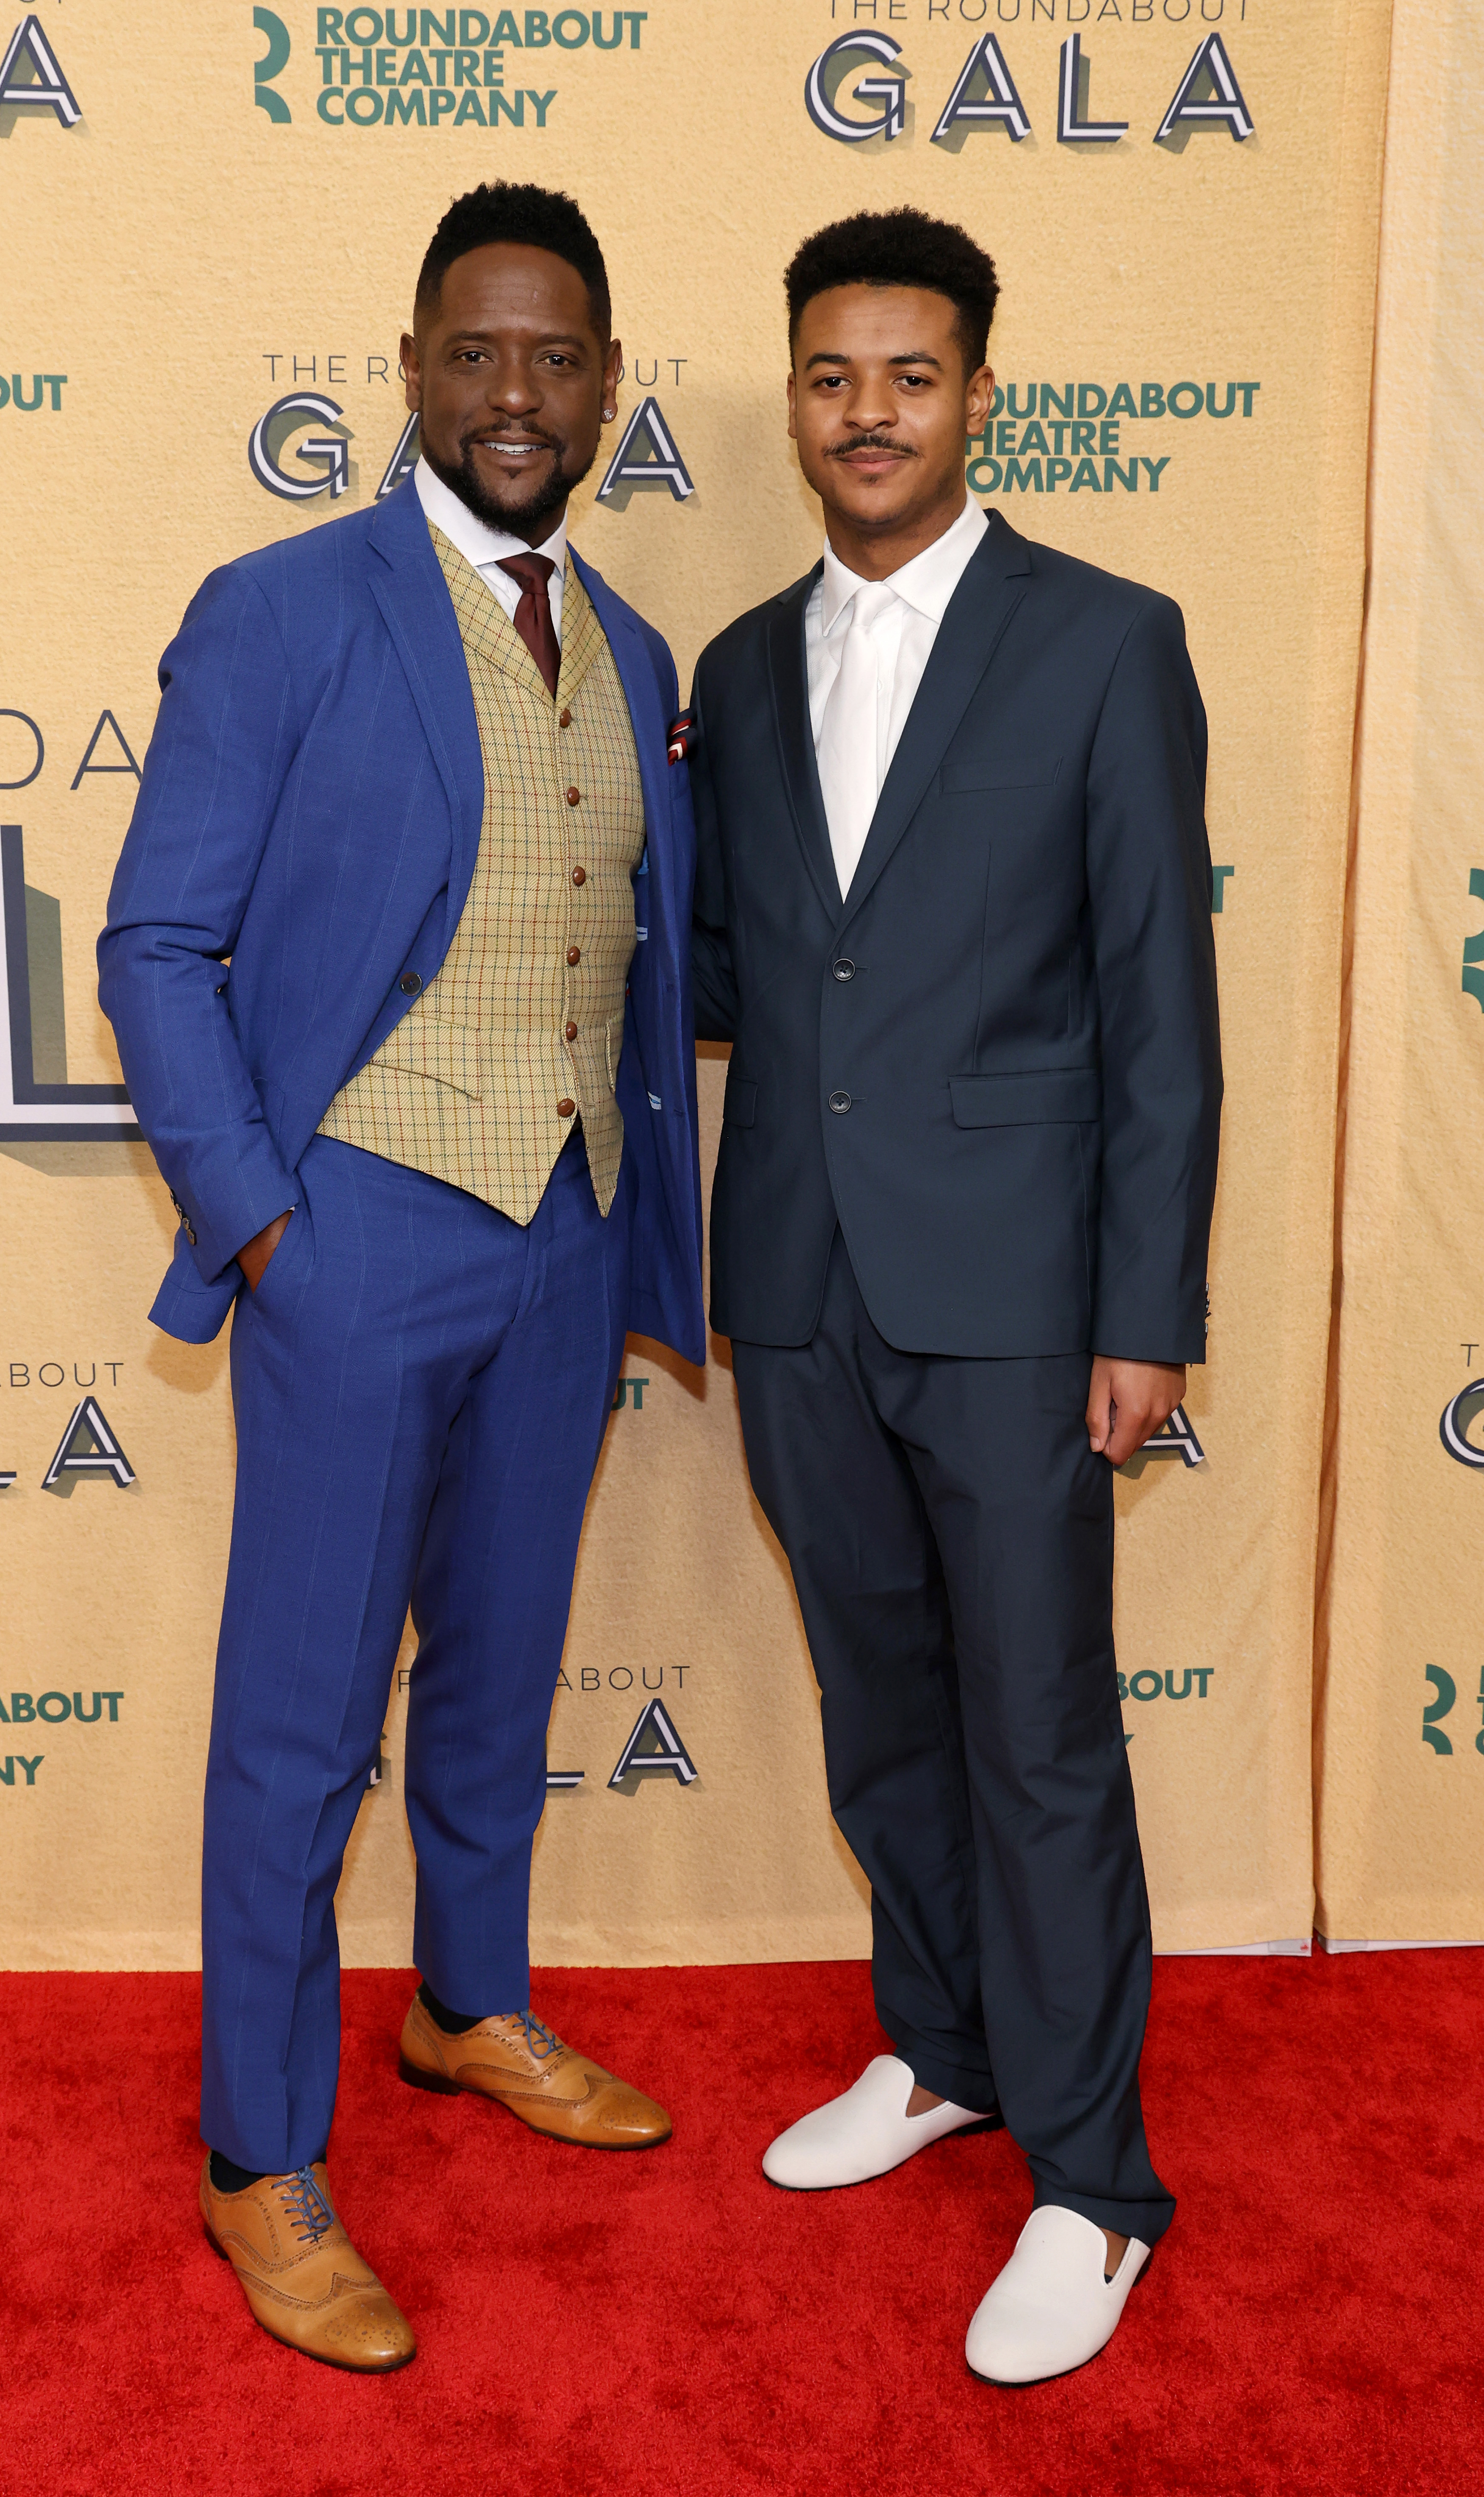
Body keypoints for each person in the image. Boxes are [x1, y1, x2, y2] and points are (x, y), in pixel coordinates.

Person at [98, 182, 703, 2373]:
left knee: (496, 1675)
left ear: (608, 388)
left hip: (561, 1239)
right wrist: (264, 1221)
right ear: (416, 368)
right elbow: (155, 942)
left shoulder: (632, 655)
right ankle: (260, 2154)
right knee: (295, 1730)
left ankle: (467, 2003)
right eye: (478, 351)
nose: (516, 393)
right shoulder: (282, 612)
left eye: (557, 358)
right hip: (353, 1236)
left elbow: (627, 958)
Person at [688, 207, 1220, 2385]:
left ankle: (1093, 2186)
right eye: (829, 376)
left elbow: (1153, 1007)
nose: (866, 414)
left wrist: (1145, 1308)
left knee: (1037, 1741)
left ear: (978, 391)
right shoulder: (728, 665)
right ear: (792, 394)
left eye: (909, 376)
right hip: (800, 1284)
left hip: (1016, 1300)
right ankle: (943, 2053)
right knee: (881, 1714)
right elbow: (737, 978)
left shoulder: (1102, 638)